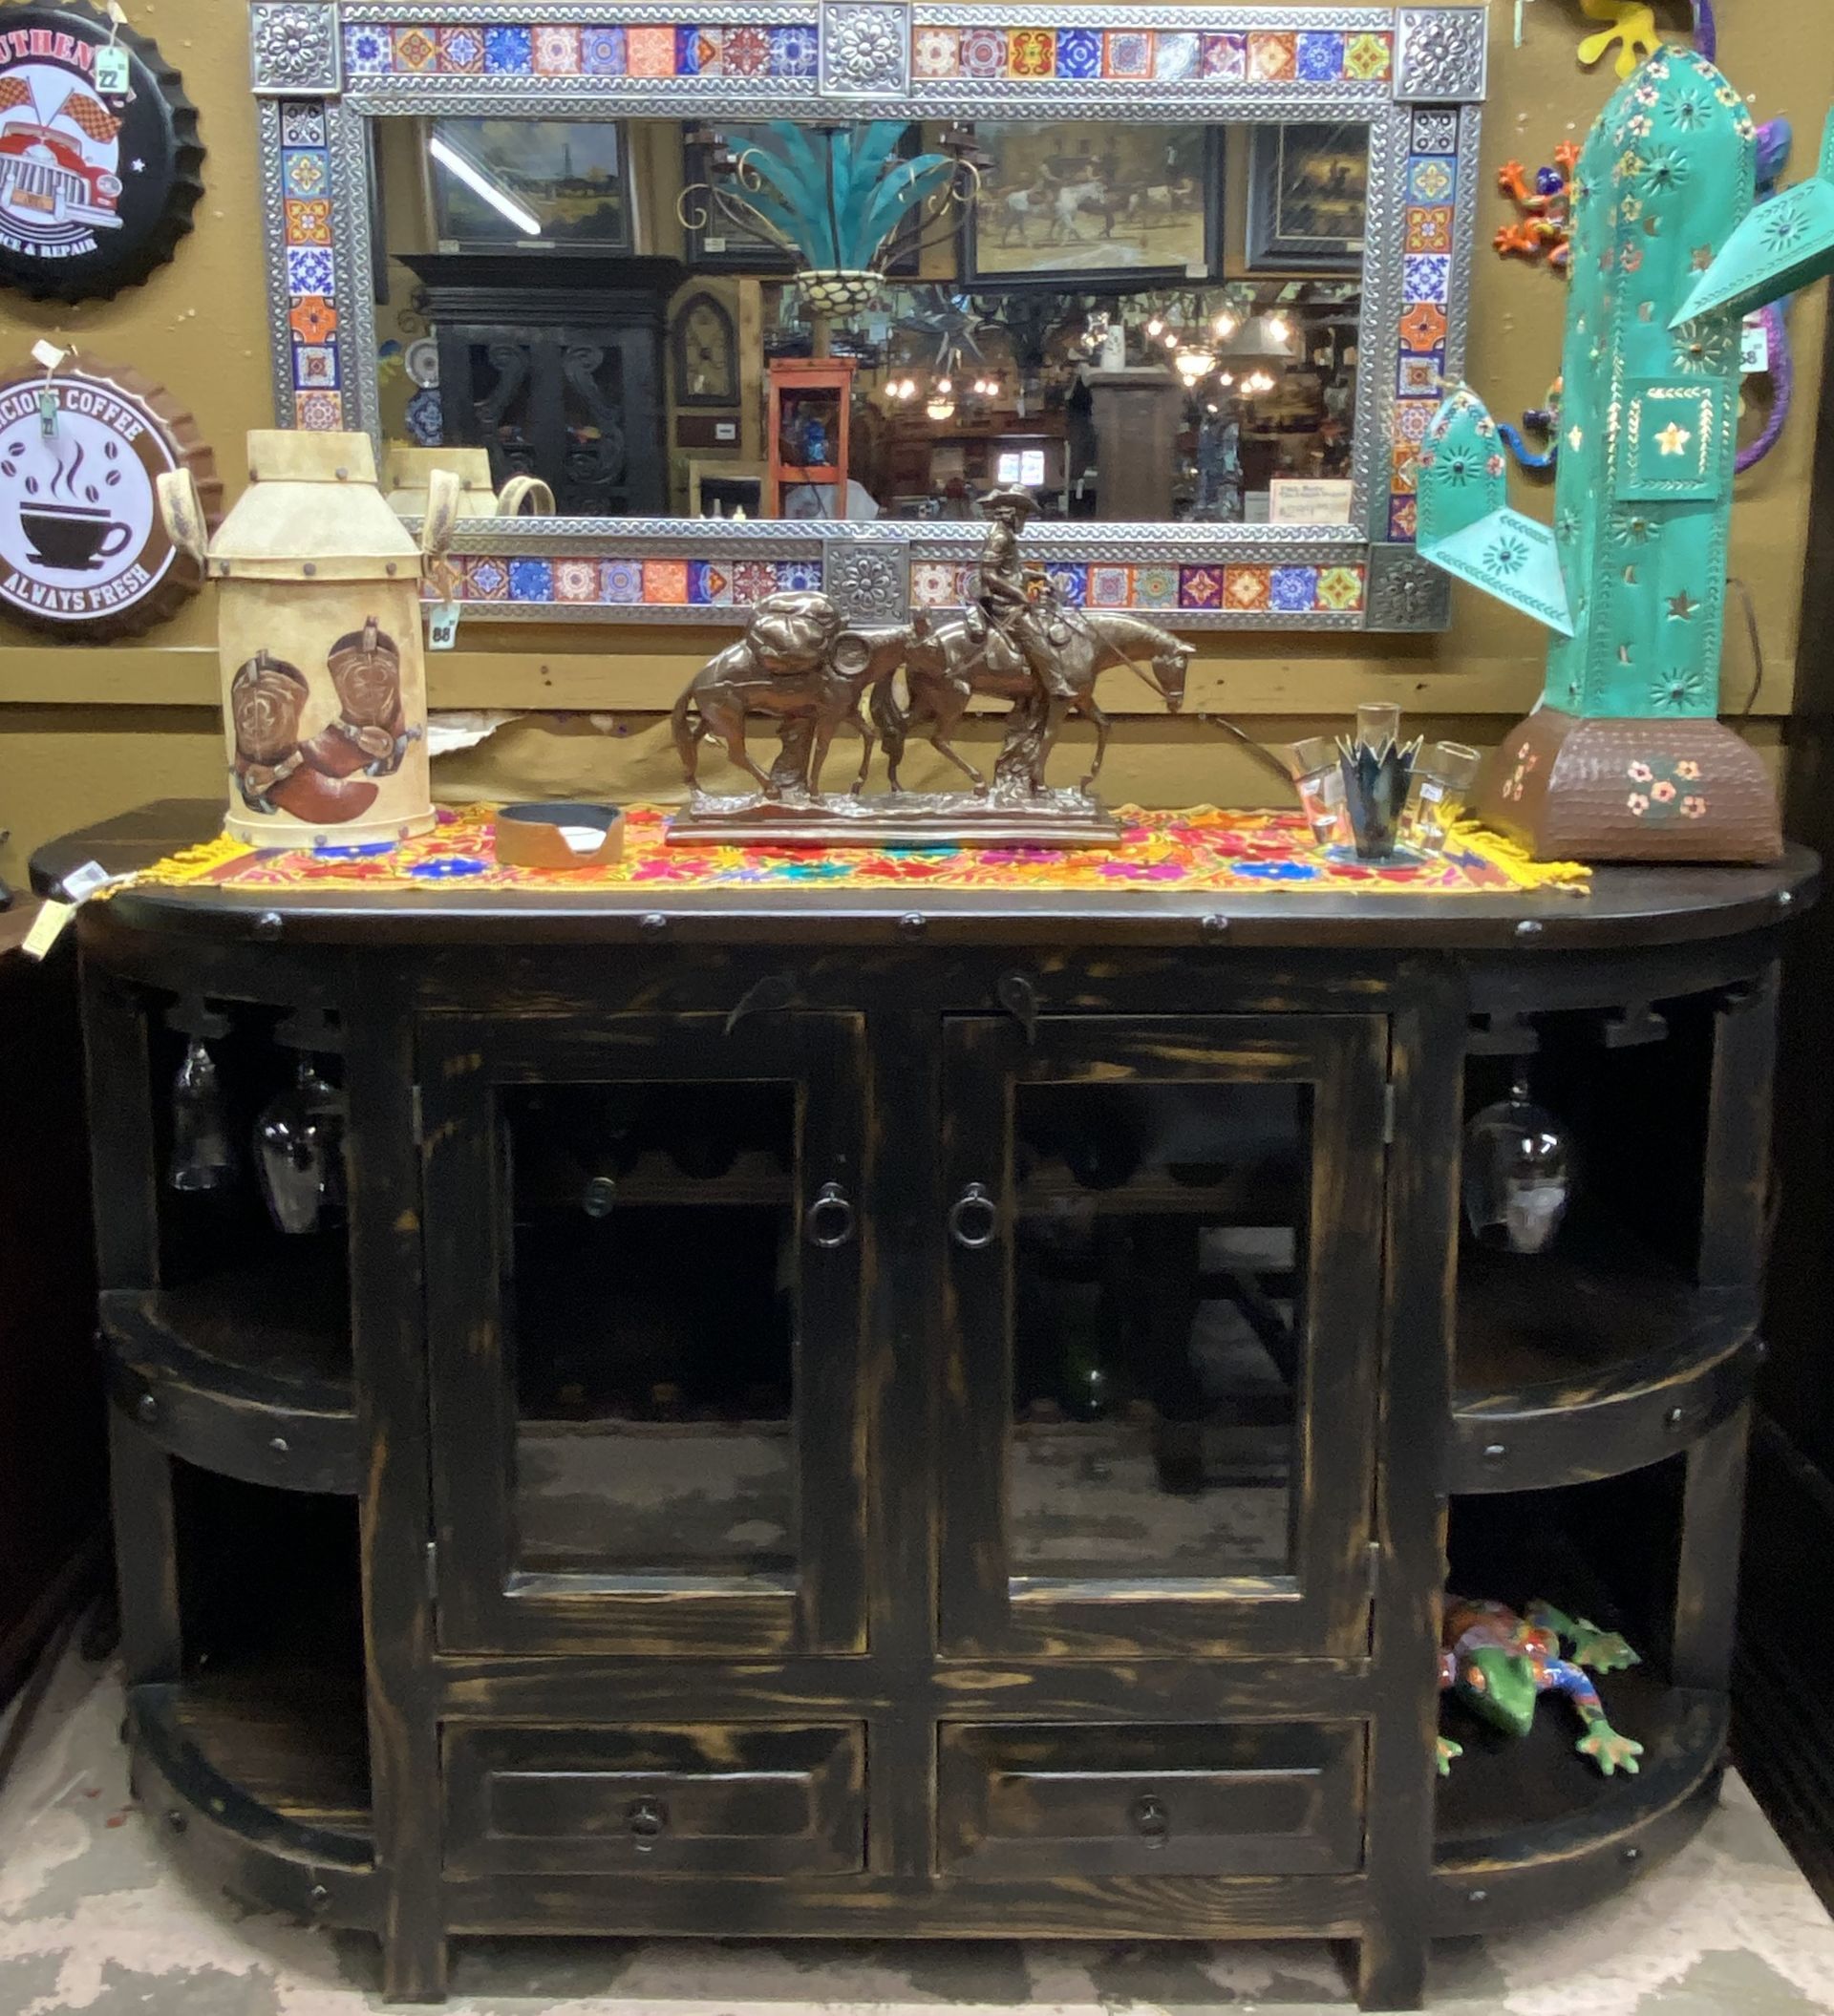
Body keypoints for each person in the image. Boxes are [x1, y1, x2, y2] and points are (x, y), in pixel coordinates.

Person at [973, 484, 1075, 703]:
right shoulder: (1000, 537)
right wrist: (1020, 595)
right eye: (1024, 515)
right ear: (1013, 513)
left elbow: (1012, 571)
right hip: (1003, 603)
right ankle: (1056, 683)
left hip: (1008, 596)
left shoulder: (1006, 534)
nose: (1025, 520)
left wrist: (1040, 576)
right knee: (1035, 636)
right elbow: (988, 574)